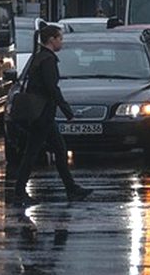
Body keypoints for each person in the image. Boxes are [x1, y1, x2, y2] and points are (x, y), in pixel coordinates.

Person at [12, 22, 93, 207]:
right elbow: (51, 88)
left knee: (59, 150)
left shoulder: (39, 57)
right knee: (33, 153)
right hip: (42, 114)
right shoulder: (47, 60)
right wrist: (66, 109)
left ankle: (71, 188)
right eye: (60, 39)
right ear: (51, 40)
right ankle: (19, 191)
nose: (61, 43)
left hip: (42, 113)